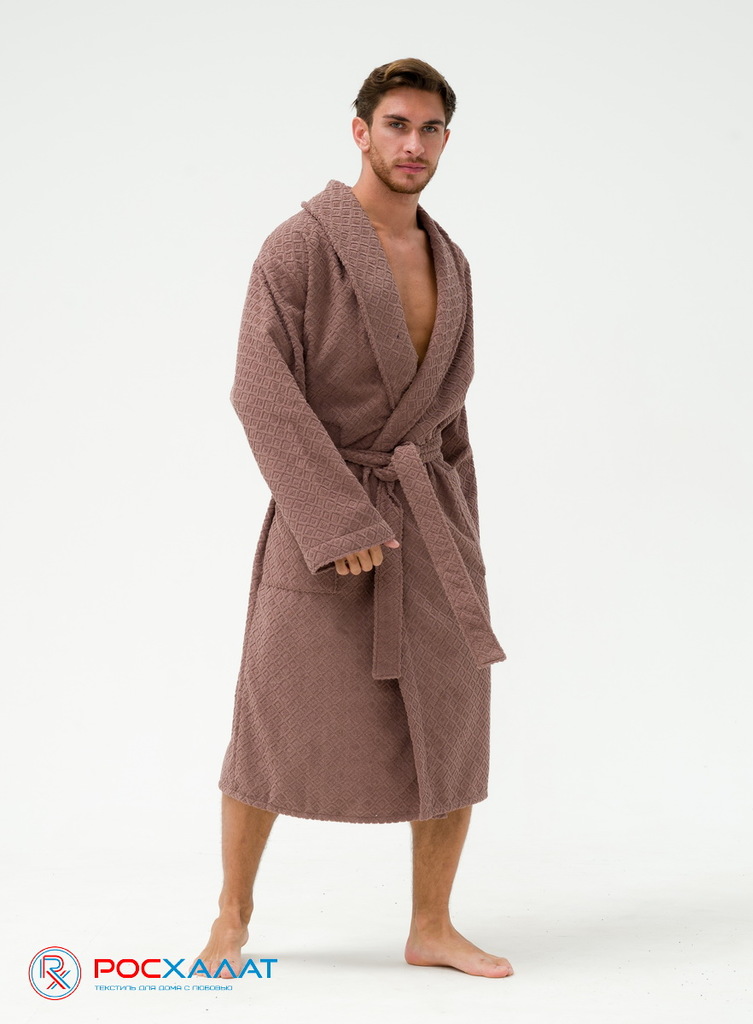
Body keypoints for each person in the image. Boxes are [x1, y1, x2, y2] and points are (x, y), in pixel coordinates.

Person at [199, 58, 512, 979]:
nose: (413, 144)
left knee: (452, 713)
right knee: (274, 714)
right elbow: (261, 390)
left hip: (429, 526)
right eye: (397, 125)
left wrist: (463, 533)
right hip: (325, 525)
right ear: (361, 131)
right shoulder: (300, 248)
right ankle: (229, 917)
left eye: (430, 129)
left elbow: (449, 417)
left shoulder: (451, 262)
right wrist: (337, 524)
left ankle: (432, 925)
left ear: (446, 140)